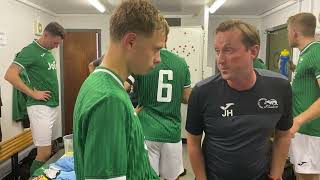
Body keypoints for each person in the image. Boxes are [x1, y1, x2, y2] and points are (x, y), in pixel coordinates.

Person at [186, 19, 292, 180]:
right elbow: (193, 143)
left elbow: (283, 135)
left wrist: (276, 176)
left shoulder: (280, 88)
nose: (220, 60)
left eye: (228, 50)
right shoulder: (202, 92)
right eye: (217, 51)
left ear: (253, 51)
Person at [72, 0, 166, 179]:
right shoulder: (109, 99)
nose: (158, 58)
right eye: (156, 49)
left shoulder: (98, 82)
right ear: (130, 42)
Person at [133, 16, 192, 180]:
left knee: (147, 176)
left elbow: (121, 88)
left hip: (146, 130)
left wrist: (131, 111)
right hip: (171, 132)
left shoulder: (143, 60)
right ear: (166, 37)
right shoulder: (180, 63)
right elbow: (188, 98)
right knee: (173, 177)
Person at [4, 22, 65, 175]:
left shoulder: (47, 50)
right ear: (45, 35)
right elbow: (10, 75)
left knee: (48, 151)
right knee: (43, 154)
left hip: (51, 106)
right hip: (39, 108)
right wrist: (32, 93)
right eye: (55, 42)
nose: (56, 46)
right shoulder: (30, 51)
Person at [287, 12, 320, 180]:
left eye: (287, 31)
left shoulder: (316, 52)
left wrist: (298, 121)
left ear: (294, 32)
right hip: (302, 132)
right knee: (300, 175)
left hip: (310, 132)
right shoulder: (306, 54)